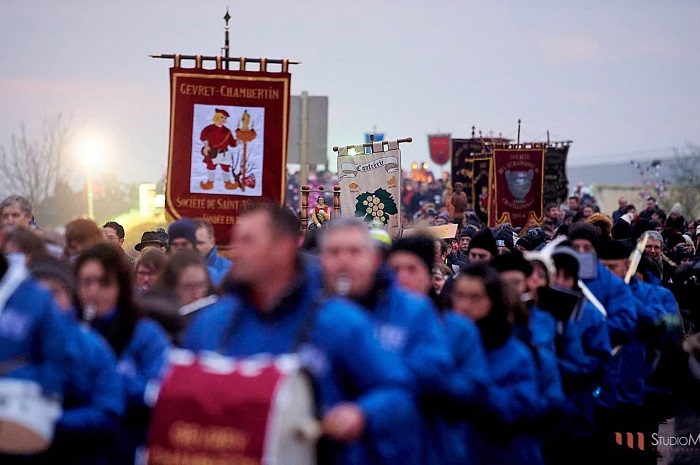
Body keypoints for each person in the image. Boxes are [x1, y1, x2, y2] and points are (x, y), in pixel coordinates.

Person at [183, 204, 421, 465]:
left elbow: (398, 392)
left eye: (248, 241)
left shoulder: (338, 321)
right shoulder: (211, 322)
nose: (236, 250)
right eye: (236, 240)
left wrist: (361, 413)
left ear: (283, 248)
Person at [74, 243, 170, 464]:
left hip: (127, 445)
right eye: (86, 282)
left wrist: (109, 380)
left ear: (121, 287)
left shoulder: (145, 334)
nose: (94, 291)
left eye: (104, 283)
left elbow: (158, 389)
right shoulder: (66, 331)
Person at [29, 255, 125, 465]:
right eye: (37, 292)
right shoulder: (10, 342)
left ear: (70, 297)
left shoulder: (93, 347)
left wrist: (51, 420)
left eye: (54, 292)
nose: (46, 301)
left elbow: (109, 412)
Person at [451, 262, 543, 464]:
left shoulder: (517, 355)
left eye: (475, 298)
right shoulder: (443, 344)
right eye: (459, 296)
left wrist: (472, 388)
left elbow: (514, 412)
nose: (465, 306)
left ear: (493, 301)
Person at [199, 108, 237, 190]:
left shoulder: (227, 131)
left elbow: (233, 144)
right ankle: (210, 183)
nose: (223, 120)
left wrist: (240, 140)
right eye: (222, 117)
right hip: (212, 153)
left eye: (225, 118)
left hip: (224, 153)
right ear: (217, 117)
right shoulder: (208, 129)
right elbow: (203, 138)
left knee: (226, 168)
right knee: (211, 167)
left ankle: (228, 184)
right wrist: (206, 146)